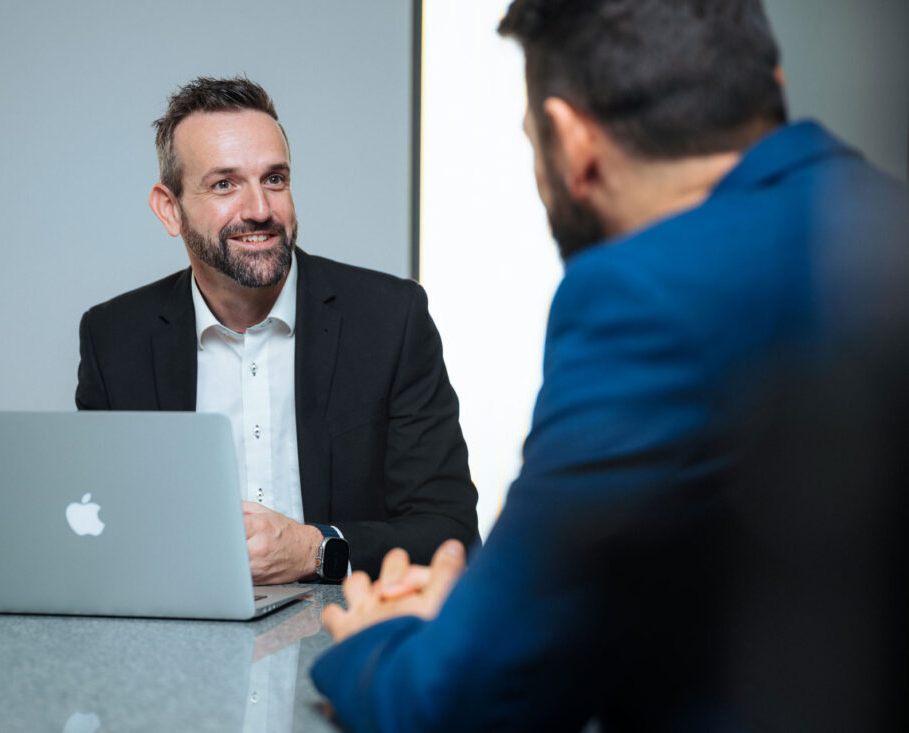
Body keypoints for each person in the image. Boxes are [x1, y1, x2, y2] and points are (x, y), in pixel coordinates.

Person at [311, 0, 909, 729]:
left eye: (534, 141)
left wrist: (387, 638)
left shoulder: (647, 296)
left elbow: (463, 699)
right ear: (770, 85)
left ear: (572, 140)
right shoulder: (880, 216)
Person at [76, 77, 478, 584]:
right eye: (224, 184)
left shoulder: (390, 320)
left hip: (345, 637)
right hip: (177, 640)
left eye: (274, 179)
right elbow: (98, 532)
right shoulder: (114, 339)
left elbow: (450, 534)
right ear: (169, 208)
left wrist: (316, 549)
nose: (260, 210)